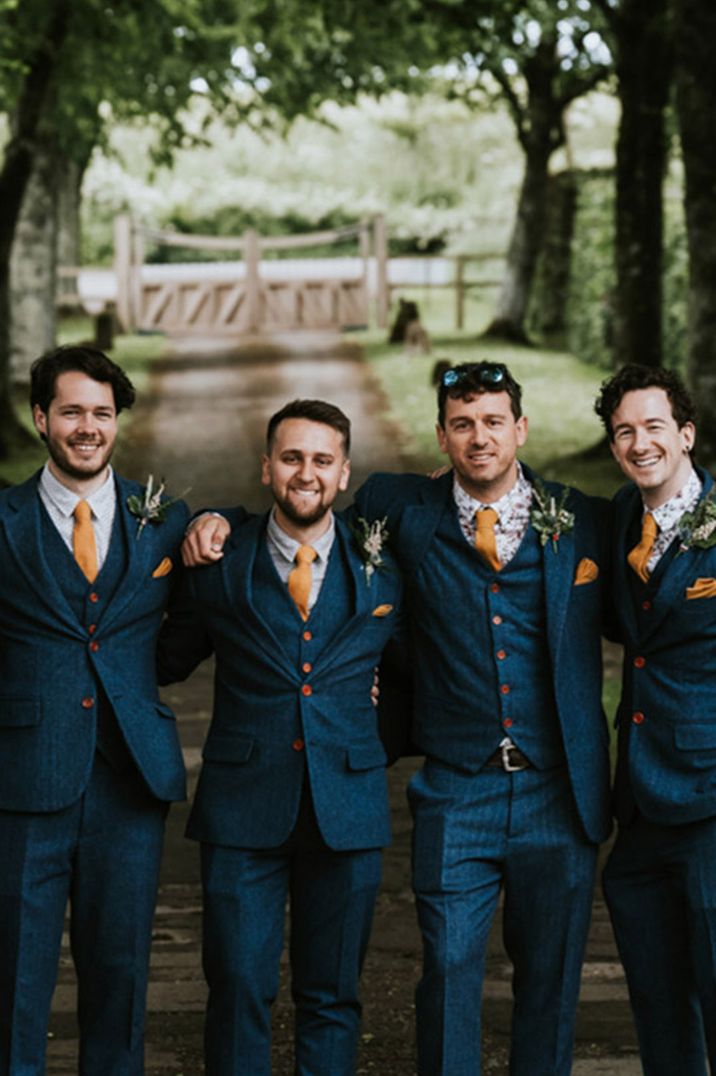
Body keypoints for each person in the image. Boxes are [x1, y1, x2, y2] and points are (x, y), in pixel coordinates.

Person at [354, 362, 611, 1075]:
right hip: (455, 786)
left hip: (557, 789)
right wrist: (221, 522)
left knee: (551, 983)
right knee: (447, 969)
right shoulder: (402, 514)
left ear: (520, 429)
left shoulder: (582, 518)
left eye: (494, 421)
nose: (479, 438)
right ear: (441, 437)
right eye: (462, 424)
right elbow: (307, 531)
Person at [158, 399, 403, 1076]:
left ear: (345, 473)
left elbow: (420, 663)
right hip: (242, 809)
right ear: (266, 467)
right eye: (291, 457)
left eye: (322, 460)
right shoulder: (220, 561)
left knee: (332, 995)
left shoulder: (383, 563)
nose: (306, 472)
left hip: (347, 808)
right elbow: (160, 659)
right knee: (237, 987)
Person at [0, 345, 189, 1075]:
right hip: (24, 778)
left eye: (102, 413)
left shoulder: (166, 519)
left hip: (129, 782)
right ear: (42, 417)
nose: (88, 427)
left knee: (122, 977)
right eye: (72, 411)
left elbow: (202, 622)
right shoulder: (7, 520)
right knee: (17, 978)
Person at [595, 363, 716, 1076]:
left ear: (687, 434)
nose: (641, 443)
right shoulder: (615, 521)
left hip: (709, 799)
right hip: (637, 804)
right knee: (657, 1002)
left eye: (654, 427)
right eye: (624, 432)